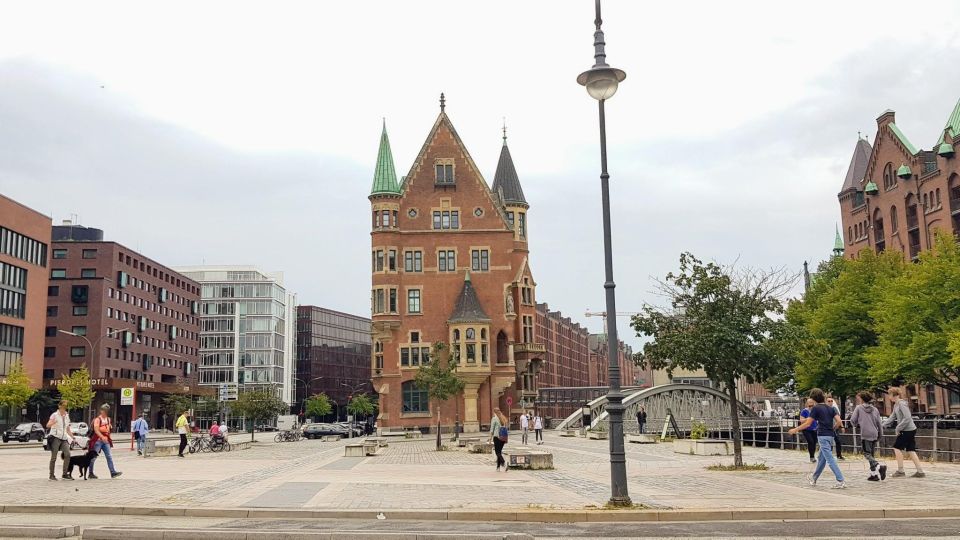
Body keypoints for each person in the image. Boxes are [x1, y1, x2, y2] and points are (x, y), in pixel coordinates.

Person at [788, 388, 845, 489]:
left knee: (830, 459)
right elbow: (839, 422)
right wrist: (833, 428)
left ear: (813, 398)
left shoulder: (816, 408)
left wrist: (795, 430)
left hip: (822, 435)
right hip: (830, 436)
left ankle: (840, 480)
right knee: (822, 459)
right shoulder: (831, 408)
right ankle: (814, 479)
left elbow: (808, 423)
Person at [883, 387, 925, 478]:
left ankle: (901, 471)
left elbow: (907, 417)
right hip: (908, 429)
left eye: (890, 394)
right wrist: (882, 425)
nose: (889, 396)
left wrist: (898, 428)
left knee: (896, 447)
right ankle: (920, 472)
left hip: (907, 430)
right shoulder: (896, 405)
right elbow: (892, 417)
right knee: (911, 450)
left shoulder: (902, 404)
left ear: (895, 395)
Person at [850, 391, 886, 481]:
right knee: (872, 454)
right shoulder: (875, 409)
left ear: (862, 399)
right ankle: (873, 475)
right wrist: (880, 434)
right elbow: (879, 423)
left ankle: (879, 467)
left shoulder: (859, 408)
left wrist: (858, 424)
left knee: (867, 454)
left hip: (865, 433)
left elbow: (853, 420)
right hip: (874, 433)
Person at [89, 404, 122, 479]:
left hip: (106, 440)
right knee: (93, 457)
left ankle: (113, 472)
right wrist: (102, 436)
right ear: (101, 411)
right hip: (98, 440)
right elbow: (96, 430)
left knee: (109, 456)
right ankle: (90, 473)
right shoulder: (97, 419)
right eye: (104, 410)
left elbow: (108, 429)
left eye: (106, 411)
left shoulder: (108, 419)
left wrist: (107, 437)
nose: (105, 412)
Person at [46, 400, 74, 481]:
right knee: (54, 457)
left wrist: (73, 437)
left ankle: (64, 474)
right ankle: (51, 475)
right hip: (55, 437)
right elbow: (47, 425)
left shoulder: (67, 416)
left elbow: (68, 429)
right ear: (59, 406)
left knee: (68, 454)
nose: (64, 408)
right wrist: (53, 422)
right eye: (63, 406)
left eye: (66, 407)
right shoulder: (54, 415)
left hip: (64, 438)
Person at [798, 398, 819, 463]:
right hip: (806, 429)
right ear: (807, 404)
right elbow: (801, 420)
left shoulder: (815, 411)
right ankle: (811, 457)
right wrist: (809, 418)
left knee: (814, 443)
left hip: (814, 429)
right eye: (809, 403)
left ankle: (813, 456)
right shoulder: (804, 411)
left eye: (812, 403)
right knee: (811, 442)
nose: (811, 405)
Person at [825, 396, 845, 460]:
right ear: (826, 402)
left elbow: (838, 419)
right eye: (829, 401)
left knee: (838, 441)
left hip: (834, 428)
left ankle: (839, 455)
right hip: (827, 428)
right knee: (828, 442)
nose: (830, 402)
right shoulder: (824, 409)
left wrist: (842, 426)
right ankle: (828, 456)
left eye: (831, 401)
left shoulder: (834, 409)